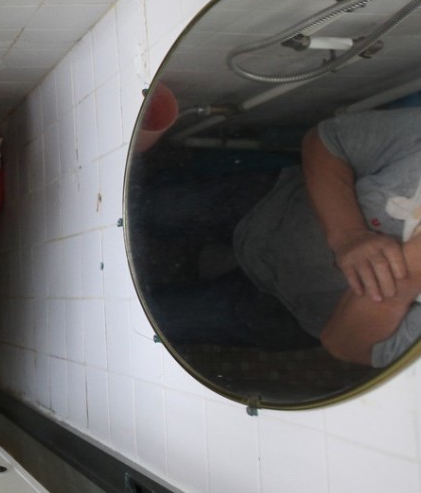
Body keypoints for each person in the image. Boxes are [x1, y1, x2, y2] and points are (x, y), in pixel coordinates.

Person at [135, 107, 421, 368]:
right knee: (149, 207)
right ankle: (198, 259)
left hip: (285, 310)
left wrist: (407, 277)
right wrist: (349, 236)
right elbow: (325, 141)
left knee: (154, 321)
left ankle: (197, 264)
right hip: (271, 205)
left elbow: (345, 346)